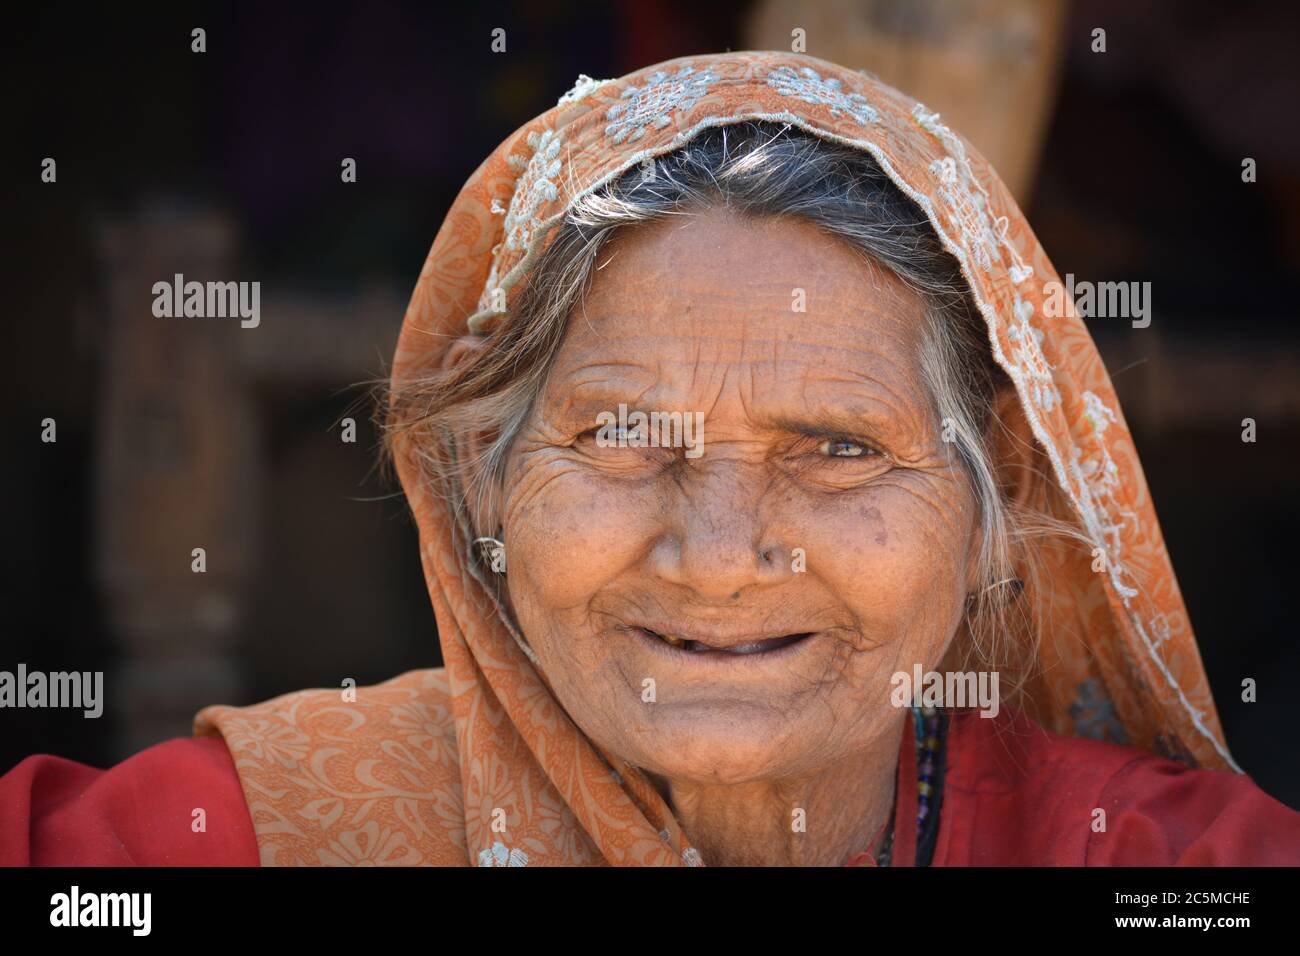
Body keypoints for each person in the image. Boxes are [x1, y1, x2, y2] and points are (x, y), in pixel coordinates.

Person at [4, 51, 1298, 867]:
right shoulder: (270, 836)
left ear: (998, 495)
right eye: (621, 439)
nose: (721, 558)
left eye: (840, 449)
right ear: (480, 481)